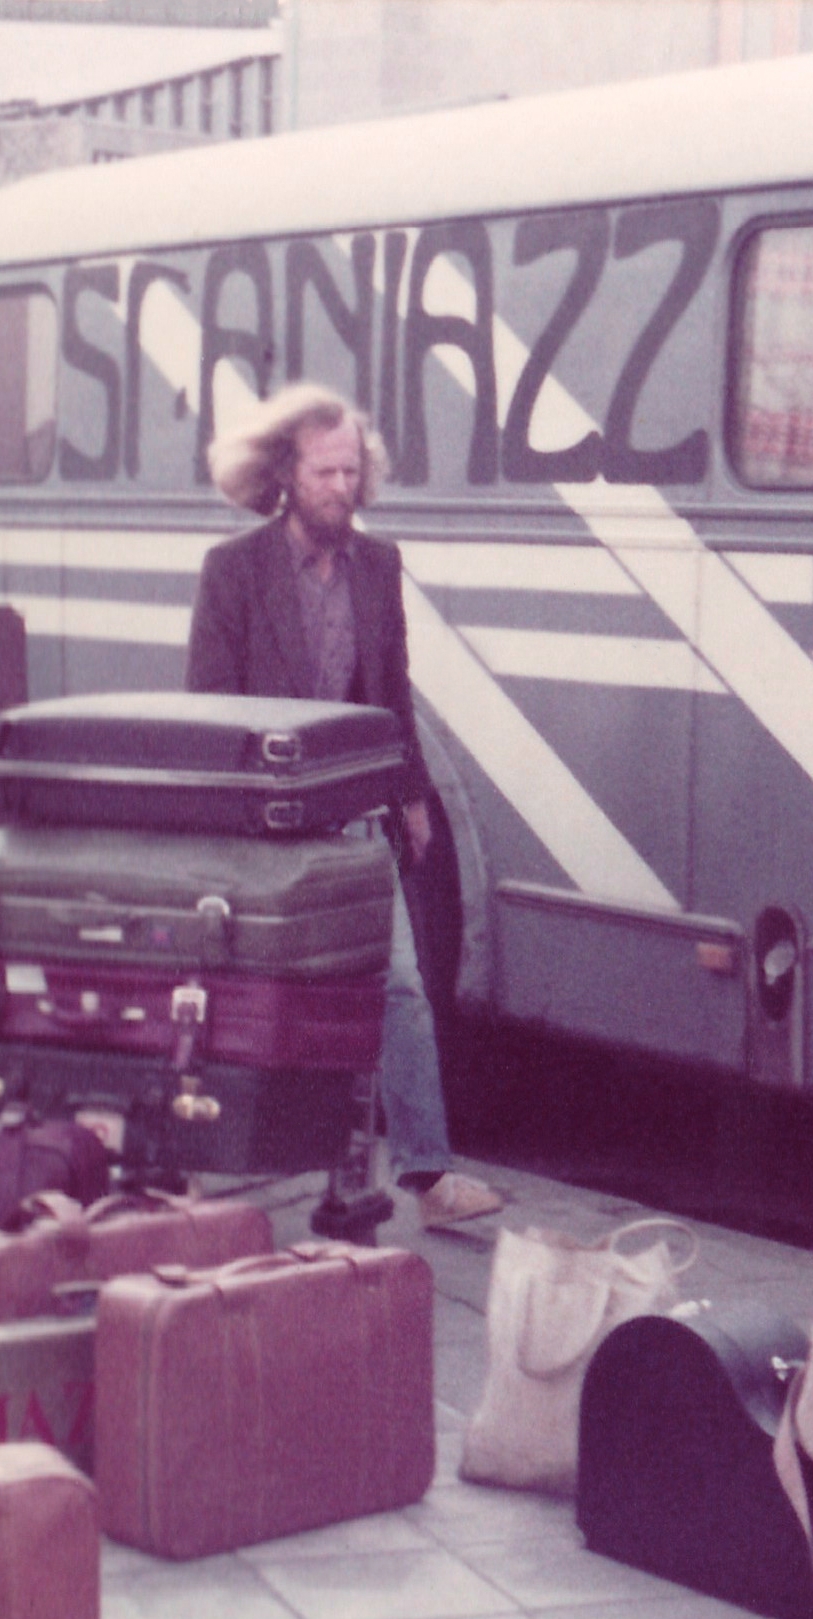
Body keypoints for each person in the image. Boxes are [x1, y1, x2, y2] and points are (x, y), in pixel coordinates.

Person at [188, 382, 506, 1228]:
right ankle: (197, 1159)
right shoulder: (234, 570)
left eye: (352, 470)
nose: (342, 486)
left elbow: (390, 691)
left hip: (357, 815)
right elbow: (209, 704)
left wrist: (410, 792)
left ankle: (427, 1176)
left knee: (399, 989)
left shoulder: (378, 565)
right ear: (285, 474)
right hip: (266, 825)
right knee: (250, 998)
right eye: (326, 471)